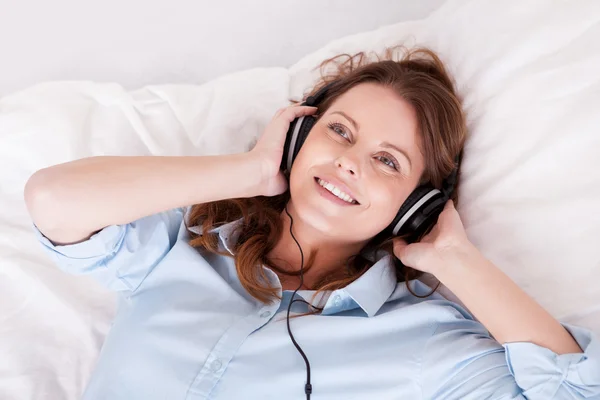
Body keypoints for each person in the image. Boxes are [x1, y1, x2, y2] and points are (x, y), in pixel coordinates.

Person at [24, 46, 600, 400]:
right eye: (340, 131)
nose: (350, 160)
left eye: (386, 160)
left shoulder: (424, 340)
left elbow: (578, 390)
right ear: (299, 137)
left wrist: (457, 261)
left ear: (417, 204)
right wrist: (248, 171)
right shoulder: (182, 245)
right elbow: (53, 199)